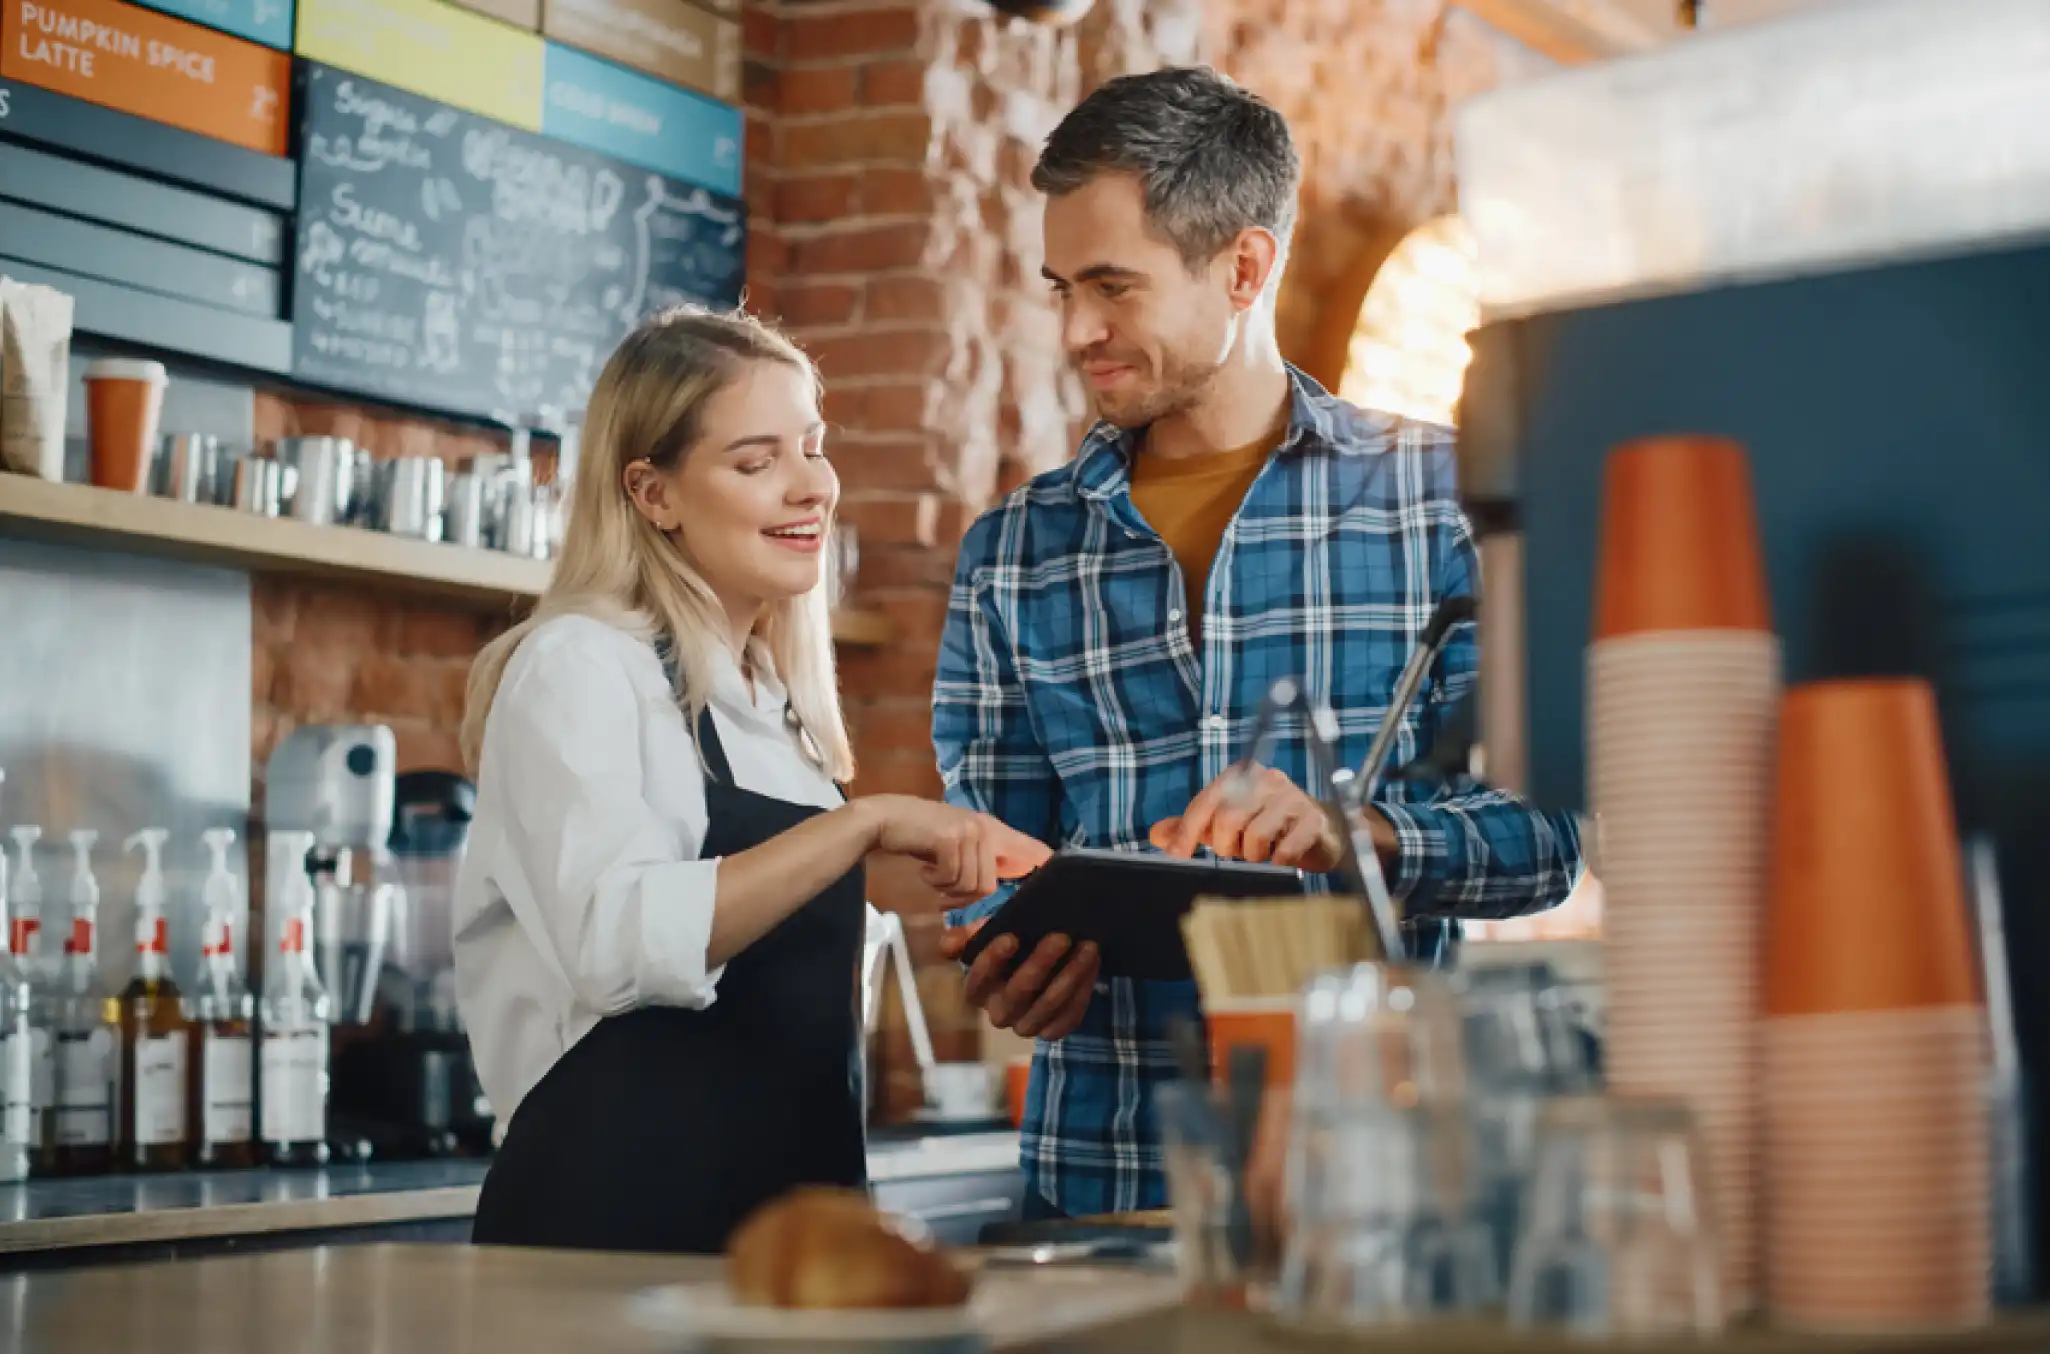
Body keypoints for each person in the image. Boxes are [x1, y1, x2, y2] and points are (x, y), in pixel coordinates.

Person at [932, 67, 1585, 1222]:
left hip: (1379, 1187)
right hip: (1102, 1185)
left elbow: (1546, 838)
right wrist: (1004, 951)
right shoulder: (1014, 552)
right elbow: (992, 862)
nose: (1077, 330)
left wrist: (1359, 834)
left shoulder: (1440, 504)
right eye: (1060, 288)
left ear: (1244, 266)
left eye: (1112, 287)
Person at [454, 307, 1050, 1255]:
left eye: (813, 447)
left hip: (782, 1238)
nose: (812, 484)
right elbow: (617, 944)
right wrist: (867, 826)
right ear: (653, 494)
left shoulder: (774, 707)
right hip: (609, 1240)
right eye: (757, 459)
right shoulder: (580, 665)